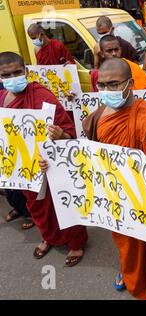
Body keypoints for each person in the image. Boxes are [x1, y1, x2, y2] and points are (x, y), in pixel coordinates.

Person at [81, 58, 146, 300]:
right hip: (116, 193)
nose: (107, 91)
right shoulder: (101, 112)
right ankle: (130, 271)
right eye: (102, 85)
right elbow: (90, 148)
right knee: (125, 240)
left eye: (114, 84)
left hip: (145, 195)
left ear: (129, 83)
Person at [0, 52, 87, 266]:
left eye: (17, 72)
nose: (12, 78)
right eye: (6, 74)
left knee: (63, 202)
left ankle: (75, 243)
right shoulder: (2, 99)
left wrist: (61, 135)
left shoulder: (42, 95)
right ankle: (49, 236)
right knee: (37, 205)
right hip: (26, 167)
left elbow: (69, 131)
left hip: (52, 162)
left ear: (26, 71)